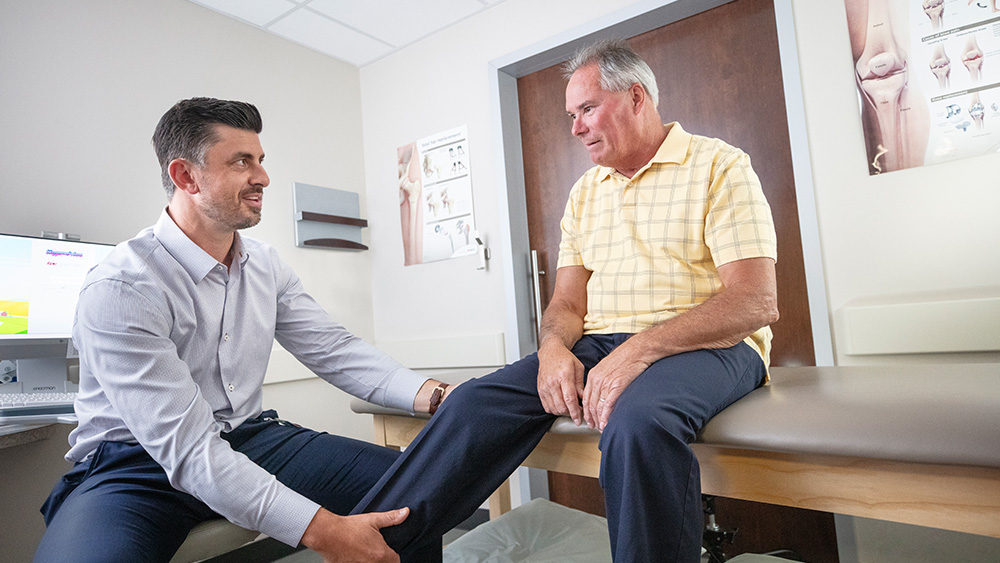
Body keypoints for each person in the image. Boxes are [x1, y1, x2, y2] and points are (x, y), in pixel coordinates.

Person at [351, 38, 779, 563]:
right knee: (470, 403)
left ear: (637, 98)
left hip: (712, 345)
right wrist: (553, 348)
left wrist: (640, 350)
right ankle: (366, 547)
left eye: (587, 109)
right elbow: (567, 306)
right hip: (601, 343)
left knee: (639, 423)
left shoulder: (719, 165)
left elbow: (754, 302)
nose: (575, 127)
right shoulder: (585, 192)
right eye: (571, 114)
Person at [34, 97, 450, 563]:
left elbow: (332, 349)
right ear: (186, 176)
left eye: (261, 160)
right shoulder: (123, 287)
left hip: (249, 437)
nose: (263, 178)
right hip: (134, 464)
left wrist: (437, 396)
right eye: (241, 162)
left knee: (412, 492)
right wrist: (325, 530)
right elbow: (189, 449)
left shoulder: (265, 264)